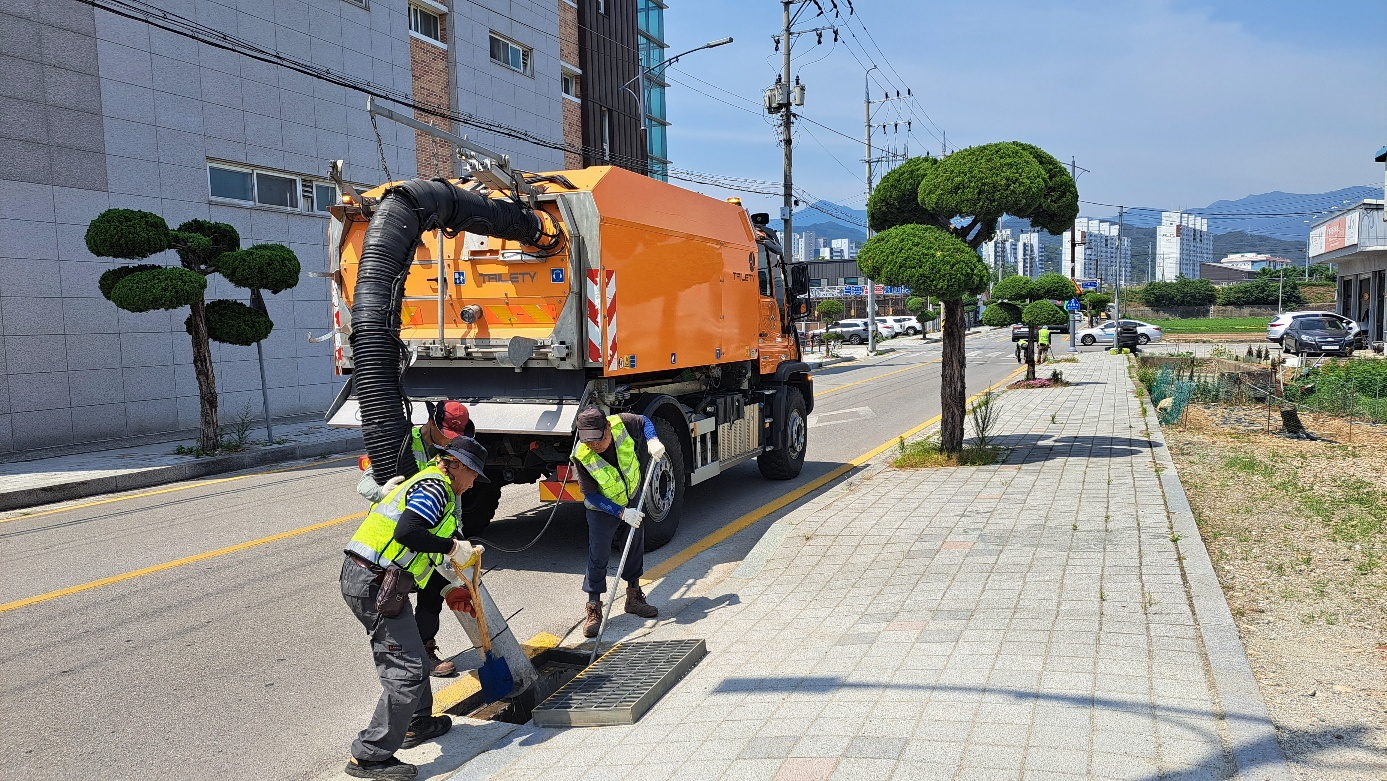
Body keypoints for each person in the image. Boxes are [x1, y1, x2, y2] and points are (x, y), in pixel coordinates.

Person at [339, 436, 489, 780]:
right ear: (458, 466)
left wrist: (450, 586)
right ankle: (370, 756)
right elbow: (408, 532)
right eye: (473, 476)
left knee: (417, 655)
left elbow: (421, 554)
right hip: (373, 583)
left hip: (380, 582)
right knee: (406, 670)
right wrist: (452, 547)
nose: (472, 484)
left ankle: (416, 723)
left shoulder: (435, 486)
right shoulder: (436, 487)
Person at [356, 401, 476, 678]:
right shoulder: (402, 444)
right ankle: (403, 661)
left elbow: (455, 501)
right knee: (393, 596)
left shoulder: (452, 453)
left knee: (436, 589)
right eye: (446, 434)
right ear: (431, 422)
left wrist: (457, 538)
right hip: (397, 539)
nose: (449, 440)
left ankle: (425, 649)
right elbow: (364, 484)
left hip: (428, 540)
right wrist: (383, 493)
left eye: (455, 436)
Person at [569, 407, 663, 638]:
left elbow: (644, 421)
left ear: (608, 428)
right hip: (603, 508)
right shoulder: (582, 455)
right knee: (598, 555)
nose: (594, 445)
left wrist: (652, 440)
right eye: (588, 441)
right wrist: (621, 513)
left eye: (598, 439)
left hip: (631, 495)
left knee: (634, 545)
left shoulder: (621, 423)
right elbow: (591, 495)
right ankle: (594, 607)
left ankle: (634, 598)